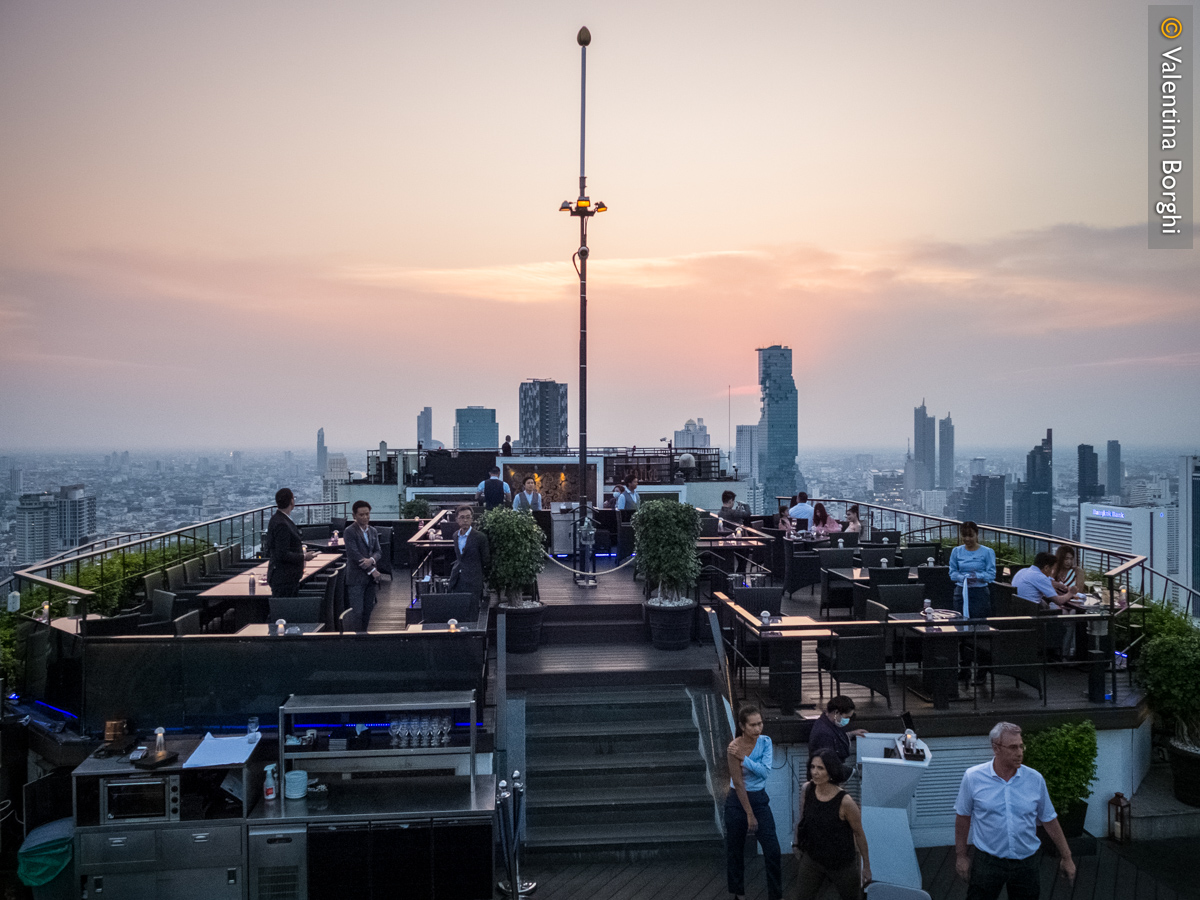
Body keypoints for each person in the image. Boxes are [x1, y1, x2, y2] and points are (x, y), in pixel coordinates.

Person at [955, 722, 1076, 899]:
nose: (1019, 753)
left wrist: (1067, 857)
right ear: (996, 748)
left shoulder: (1035, 779)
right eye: (1013, 747)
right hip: (988, 861)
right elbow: (963, 817)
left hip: (1026, 863)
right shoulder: (973, 777)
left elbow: (1049, 819)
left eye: (1021, 746)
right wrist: (961, 856)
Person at [792, 749, 871, 900]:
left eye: (820, 768)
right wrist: (796, 844)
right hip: (813, 859)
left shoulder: (845, 802)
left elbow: (859, 834)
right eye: (813, 767)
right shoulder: (807, 789)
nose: (815, 772)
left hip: (842, 863)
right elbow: (801, 819)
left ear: (831, 770)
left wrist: (866, 867)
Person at [726, 705, 783, 900]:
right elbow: (739, 783)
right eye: (753, 725)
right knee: (735, 848)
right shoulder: (734, 747)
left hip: (759, 799)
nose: (758, 728)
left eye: (760, 723)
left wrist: (744, 759)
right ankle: (738, 893)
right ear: (743, 726)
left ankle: (775, 895)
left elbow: (765, 772)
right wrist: (749, 814)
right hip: (737, 800)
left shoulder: (765, 742)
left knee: (773, 849)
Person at [344, 499, 383, 631]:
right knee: (357, 612)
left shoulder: (372, 530)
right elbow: (355, 555)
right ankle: (355, 639)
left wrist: (371, 560)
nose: (365, 517)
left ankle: (363, 635)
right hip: (356, 577)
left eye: (367, 514)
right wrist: (372, 570)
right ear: (354, 516)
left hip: (370, 579)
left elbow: (378, 551)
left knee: (368, 609)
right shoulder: (349, 531)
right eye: (361, 515)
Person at [266, 488, 311, 598]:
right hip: (284, 578)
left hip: (286, 577)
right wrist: (304, 557)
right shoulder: (282, 524)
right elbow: (283, 554)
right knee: (284, 610)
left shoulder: (277, 519)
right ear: (291, 501)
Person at [948, 521, 997, 618]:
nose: (967, 539)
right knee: (959, 622)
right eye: (964, 536)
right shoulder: (956, 551)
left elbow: (991, 575)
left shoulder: (987, 552)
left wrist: (978, 576)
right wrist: (963, 578)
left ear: (977, 535)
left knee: (979, 623)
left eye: (970, 536)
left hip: (980, 592)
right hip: (961, 591)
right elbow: (952, 573)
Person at [808, 696, 868, 769]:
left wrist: (851, 734)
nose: (847, 720)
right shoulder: (824, 734)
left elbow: (836, 737)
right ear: (836, 712)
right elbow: (829, 764)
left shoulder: (828, 723)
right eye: (846, 717)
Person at [448, 505, 490, 605]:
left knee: (473, 610)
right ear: (457, 519)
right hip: (458, 579)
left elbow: (486, 560)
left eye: (468, 517)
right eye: (462, 517)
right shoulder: (455, 536)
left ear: (472, 518)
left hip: (474, 580)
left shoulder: (480, 537)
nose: (465, 520)